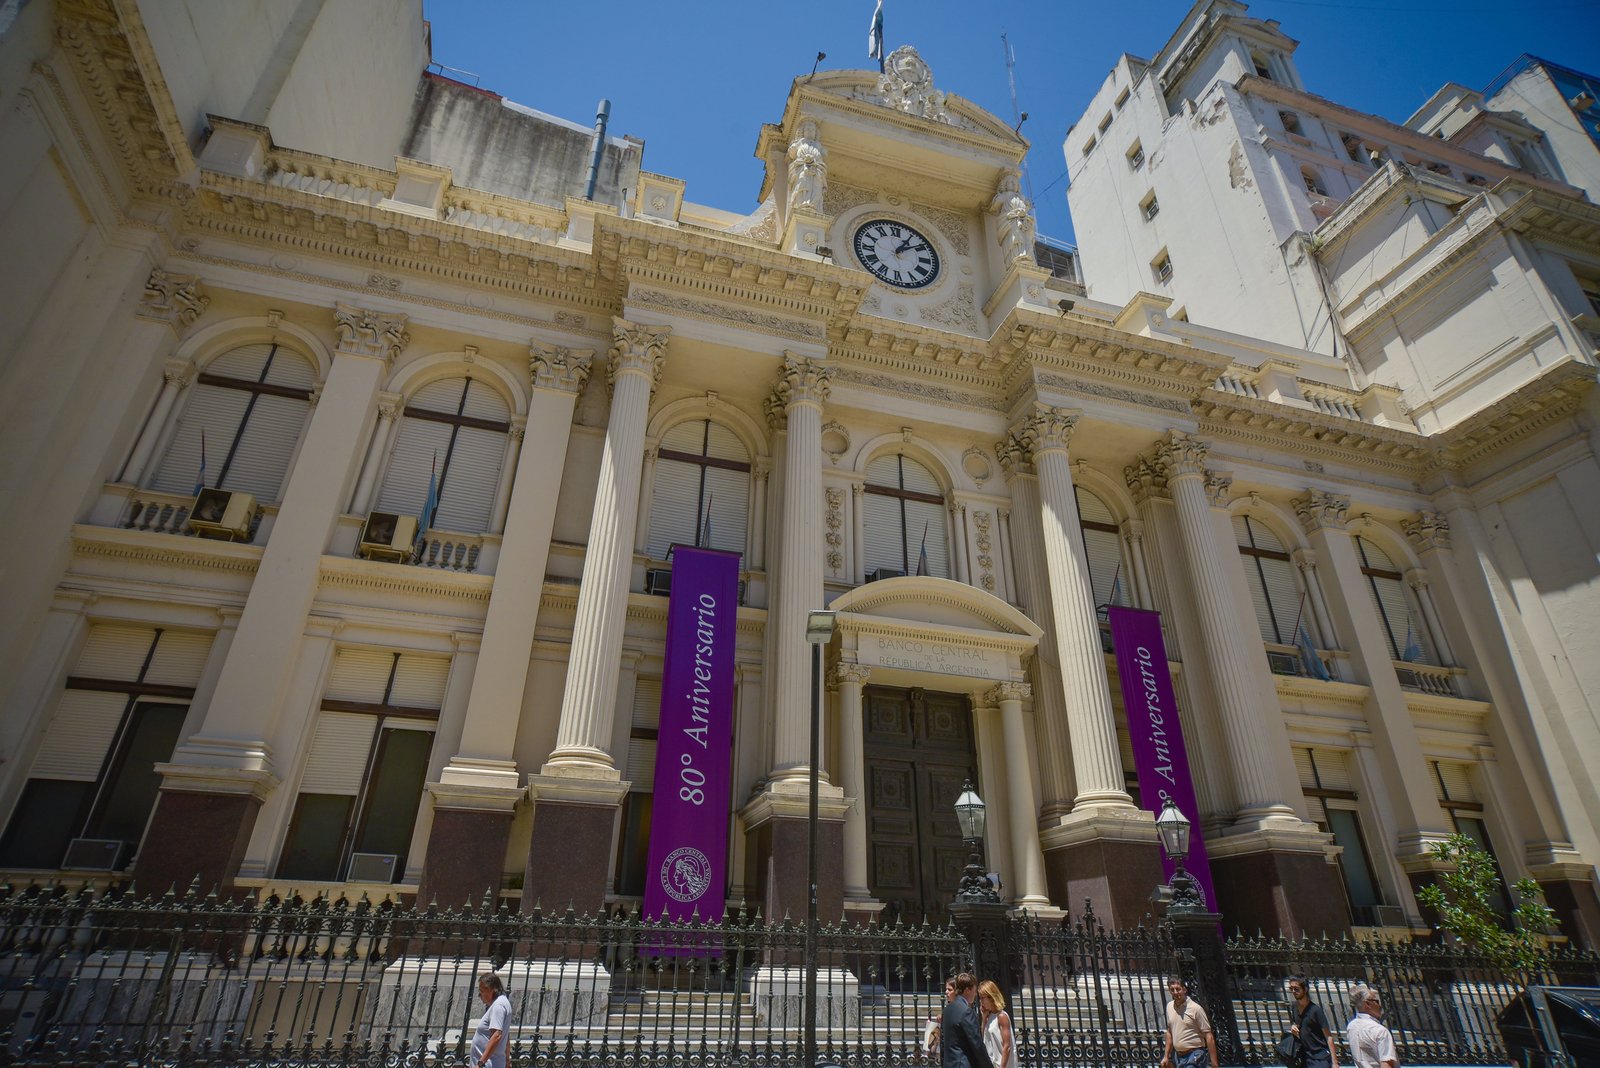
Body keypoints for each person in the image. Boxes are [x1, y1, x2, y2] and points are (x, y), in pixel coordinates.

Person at [1160, 977, 1219, 1068]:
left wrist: (1214, 1064)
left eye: (1178, 989)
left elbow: (1208, 1036)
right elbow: (1170, 1032)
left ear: (1184, 989)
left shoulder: (1196, 1009)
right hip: (1179, 1057)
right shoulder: (1169, 1007)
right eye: (1172, 990)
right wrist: (1166, 1056)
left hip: (1195, 1053)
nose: (1175, 992)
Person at [941, 972, 995, 1068]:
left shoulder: (947, 1010)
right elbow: (976, 1044)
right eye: (974, 991)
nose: (975, 995)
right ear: (967, 990)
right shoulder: (966, 1011)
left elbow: (943, 1041)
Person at [1288, 975, 1337, 1068]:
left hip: (1319, 1057)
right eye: (1291, 988)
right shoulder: (1294, 1007)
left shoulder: (1316, 1011)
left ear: (1305, 989)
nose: (1293, 991)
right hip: (1304, 1056)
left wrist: (1335, 1063)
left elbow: (1328, 1036)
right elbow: (1296, 1024)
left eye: (1296, 989)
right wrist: (1293, 1027)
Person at [1345, 984, 1398, 1068]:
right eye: (1377, 1002)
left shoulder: (1351, 1027)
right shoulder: (1380, 1031)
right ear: (1368, 1003)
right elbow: (1386, 1064)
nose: (1380, 1006)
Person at [471, 972, 512, 1068]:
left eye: (481, 990)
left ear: (491, 990)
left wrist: (480, 1063)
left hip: (489, 1064)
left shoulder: (498, 1006)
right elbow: (506, 1036)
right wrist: (507, 1060)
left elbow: (497, 1035)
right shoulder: (502, 1002)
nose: (479, 995)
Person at [978, 980, 1018, 1068]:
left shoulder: (1002, 1016)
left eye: (982, 998)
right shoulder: (990, 1015)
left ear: (991, 997)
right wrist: (984, 1018)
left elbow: (1007, 1046)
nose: (981, 1001)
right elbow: (984, 1037)